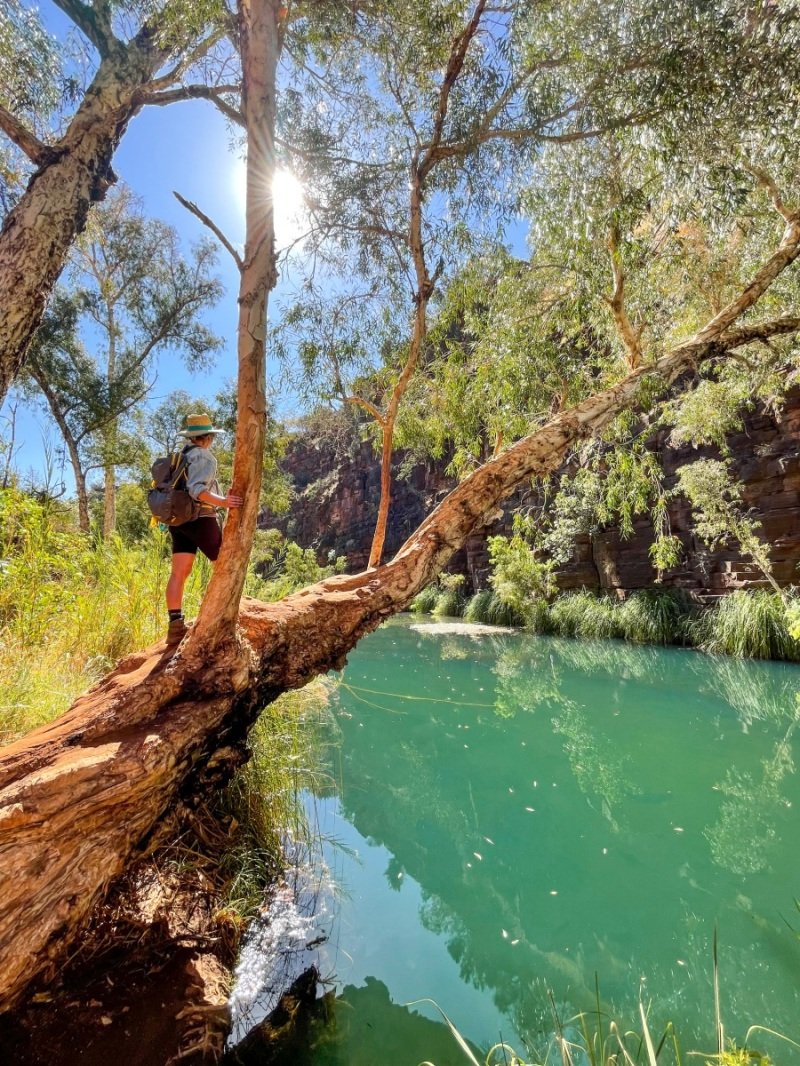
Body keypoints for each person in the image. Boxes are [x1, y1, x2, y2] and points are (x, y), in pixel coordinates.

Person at [165, 412, 242, 645]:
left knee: (179, 573)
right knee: (225, 564)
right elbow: (197, 490)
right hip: (200, 518)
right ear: (207, 437)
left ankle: (175, 626)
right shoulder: (205, 457)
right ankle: (223, 616)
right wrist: (224, 502)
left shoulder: (181, 456)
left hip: (177, 521)